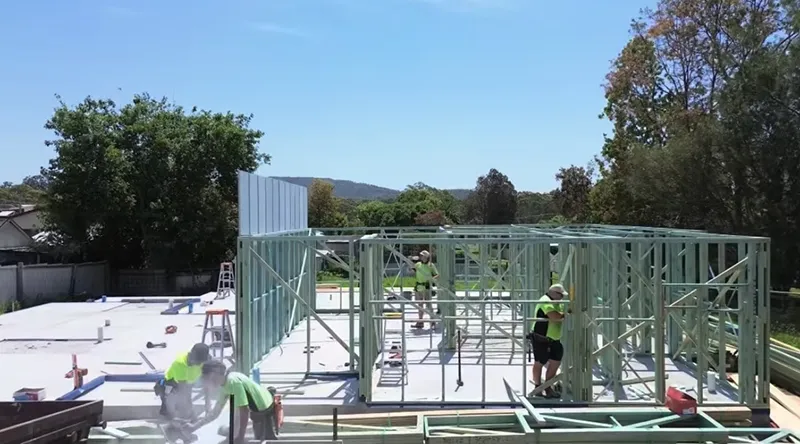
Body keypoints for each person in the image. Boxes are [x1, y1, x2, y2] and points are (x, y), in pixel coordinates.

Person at [189, 360, 277, 444]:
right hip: (257, 402)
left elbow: (244, 411)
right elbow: (215, 413)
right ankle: (232, 432)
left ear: (216, 374)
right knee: (236, 412)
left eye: (209, 378)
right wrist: (194, 426)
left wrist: (240, 436)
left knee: (264, 439)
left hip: (263, 408)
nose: (209, 382)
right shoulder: (224, 385)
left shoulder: (233, 382)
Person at [528, 283, 569, 398]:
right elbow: (555, 316)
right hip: (541, 337)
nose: (562, 297)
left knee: (556, 360)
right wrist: (565, 314)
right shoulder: (545, 300)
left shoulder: (557, 303)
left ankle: (547, 386)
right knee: (539, 362)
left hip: (554, 338)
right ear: (553, 293)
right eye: (560, 295)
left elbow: (561, 314)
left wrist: (564, 313)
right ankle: (538, 387)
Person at [155, 343, 210, 420]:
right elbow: (184, 391)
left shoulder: (204, 361)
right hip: (172, 384)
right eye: (197, 362)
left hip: (190, 381)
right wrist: (193, 415)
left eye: (200, 363)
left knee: (186, 411)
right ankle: (170, 415)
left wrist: (208, 406)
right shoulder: (180, 364)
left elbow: (207, 385)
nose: (198, 364)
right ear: (191, 355)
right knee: (176, 409)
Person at [412, 249, 439, 329]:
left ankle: (433, 321)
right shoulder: (418, 264)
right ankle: (420, 322)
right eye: (420, 255)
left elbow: (437, 275)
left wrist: (431, 279)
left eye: (422, 255)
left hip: (427, 287)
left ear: (426, 257)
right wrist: (410, 264)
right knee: (420, 305)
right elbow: (412, 271)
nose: (421, 257)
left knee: (428, 305)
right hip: (419, 287)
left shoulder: (431, 265)